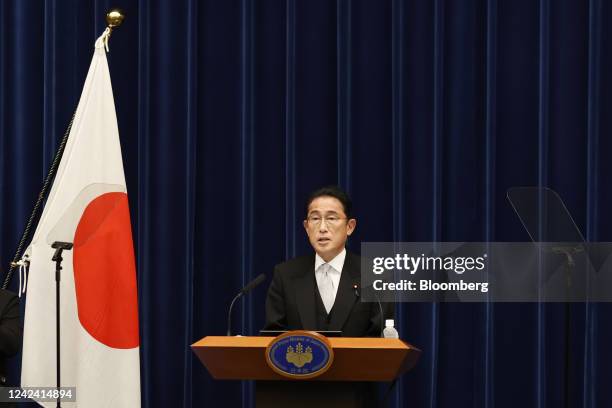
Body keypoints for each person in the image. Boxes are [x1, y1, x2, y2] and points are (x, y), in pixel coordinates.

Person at [264, 185, 393, 337]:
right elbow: (273, 336)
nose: (322, 227)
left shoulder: (375, 274)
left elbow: (380, 340)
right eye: (315, 218)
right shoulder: (285, 274)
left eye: (331, 218)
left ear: (350, 227)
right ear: (306, 227)